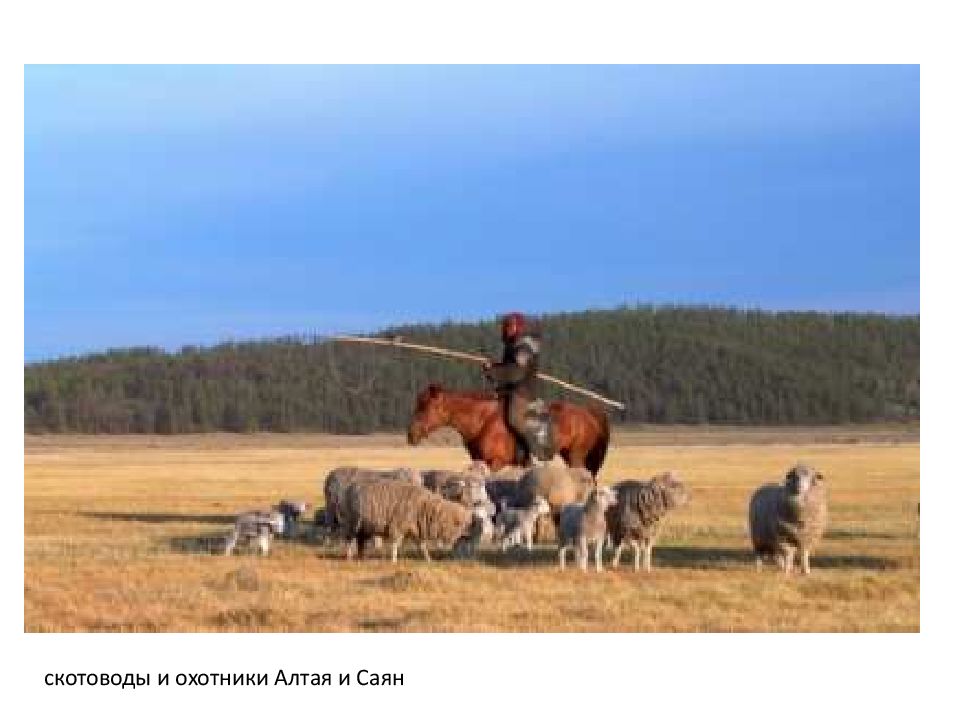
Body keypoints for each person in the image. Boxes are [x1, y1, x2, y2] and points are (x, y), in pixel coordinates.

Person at [482, 312, 554, 464]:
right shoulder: (512, 345)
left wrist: (493, 371)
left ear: (518, 327)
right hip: (510, 388)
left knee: (514, 418)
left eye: (509, 326)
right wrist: (493, 367)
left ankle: (536, 452)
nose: (506, 329)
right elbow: (508, 367)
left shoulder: (524, 346)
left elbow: (516, 372)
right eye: (505, 326)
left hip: (523, 390)